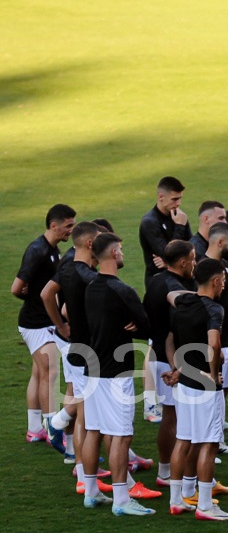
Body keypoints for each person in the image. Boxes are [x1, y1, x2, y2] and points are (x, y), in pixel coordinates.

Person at [81, 232, 156, 515]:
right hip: (117, 374)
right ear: (113, 254)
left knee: (94, 431)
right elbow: (148, 328)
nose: (123, 254)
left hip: (93, 369)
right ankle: (122, 500)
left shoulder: (91, 288)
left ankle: (91, 492)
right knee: (122, 436)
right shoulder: (122, 291)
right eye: (121, 250)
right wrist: (138, 328)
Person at [163, 258, 228, 521]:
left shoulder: (183, 302)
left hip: (183, 382)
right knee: (209, 443)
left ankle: (176, 500)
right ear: (215, 281)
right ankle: (205, 505)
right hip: (204, 385)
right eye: (223, 281)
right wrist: (214, 375)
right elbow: (214, 344)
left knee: (183, 440)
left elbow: (170, 297)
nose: (224, 286)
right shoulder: (214, 309)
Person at [43, 221, 102, 476]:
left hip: (72, 342)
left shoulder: (72, 262)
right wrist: (63, 325)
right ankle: (81, 467)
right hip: (76, 345)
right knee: (85, 407)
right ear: (91, 243)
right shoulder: (78, 268)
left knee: (79, 397)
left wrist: (62, 324)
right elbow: (57, 302)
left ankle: (74, 456)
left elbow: (49, 294)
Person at [13, 203, 75, 446]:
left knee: (39, 373)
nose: (71, 230)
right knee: (50, 371)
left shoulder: (52, 249)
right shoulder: (37, 250)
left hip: (41, 321)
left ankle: (34, 429)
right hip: (35, 323)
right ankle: (52, 430)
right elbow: (16, 287)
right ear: (54, 225)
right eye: (68, 226)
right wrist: (27, 297)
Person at [141, 240, 197, 490]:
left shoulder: (155, 280)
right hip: (170, 360)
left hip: (159, 354)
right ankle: (182, 476)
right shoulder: (173, 287)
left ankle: (166, 470)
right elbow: (175, 329)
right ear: (182, 262)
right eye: (193, 259)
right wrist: (177, 367)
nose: (195, 263)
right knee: (180, 421)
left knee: (171, 416)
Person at [203, 222, 228, 454]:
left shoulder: (224, 265)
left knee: (223, 389)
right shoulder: (206, 267)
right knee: (211, 393)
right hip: (216, 340)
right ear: (219, 243)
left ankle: (218, 434)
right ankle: (211, 443)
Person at [138, 176, 191, 289]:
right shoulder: (150, 222)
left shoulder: (179, 217)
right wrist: (179, 227)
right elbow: (169, 254)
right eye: (174, 199)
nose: (179, 203)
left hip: (182, 278)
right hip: (158, 281)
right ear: (161, 196)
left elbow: (191, 249)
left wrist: (167, 264)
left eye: (180, 198)